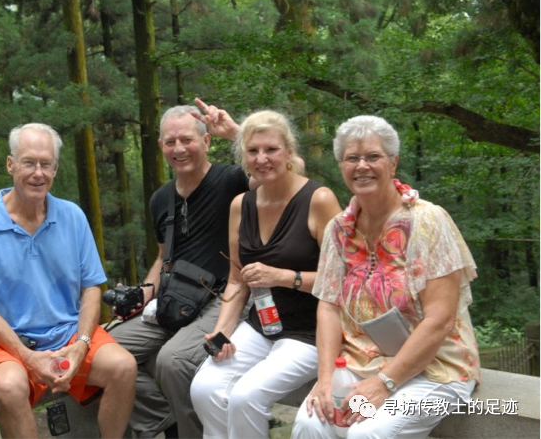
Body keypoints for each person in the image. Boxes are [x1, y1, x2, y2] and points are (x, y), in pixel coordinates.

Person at [292, 115, 480, 438]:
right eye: (352, 158)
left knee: (367, 433)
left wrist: (384, 383)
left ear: (392, 164)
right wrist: (324, 381)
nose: (362, 166)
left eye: (373, 156)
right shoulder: (339, 229)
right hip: (361, 363)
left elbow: (441, 319)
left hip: (435, 368)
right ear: (341, 166)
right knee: (312, 422)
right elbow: (328, 306)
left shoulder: (427, 221)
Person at [0, 122, 137, 439]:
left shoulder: (72, 215)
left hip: (69, 334)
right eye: (29, 162)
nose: (37, 173)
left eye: (46, 164)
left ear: (55, 168)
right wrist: (27, 358)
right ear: (11, 164)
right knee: (10, 386)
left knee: (123, 367)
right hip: (8, 343)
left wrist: (81, 346)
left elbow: (91, 289)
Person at [190, 110, 341, 439]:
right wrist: (222, 333)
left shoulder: (319, 199)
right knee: (203, 388)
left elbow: (345, 282)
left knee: (246, 396)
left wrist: (283, 276)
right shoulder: (240, 205)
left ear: (289, 151)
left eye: (271, 149)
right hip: (263, 325)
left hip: (312, 332)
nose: (262, 158)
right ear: (242, 156)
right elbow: (236, 279)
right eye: (253, 151)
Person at [109, 99, 252, 439]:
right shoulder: (161, 199)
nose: (179, 148)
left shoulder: (233, 180)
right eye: (170, 142)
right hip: (176, 296)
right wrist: (144, 292)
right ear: (160, 146)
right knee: (105, 351)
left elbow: (291, 175)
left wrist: (237, 134)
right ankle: (164, 420)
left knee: (171, 361)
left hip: (225, 295)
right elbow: (163, 258)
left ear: (206, 141)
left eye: (187, 139)